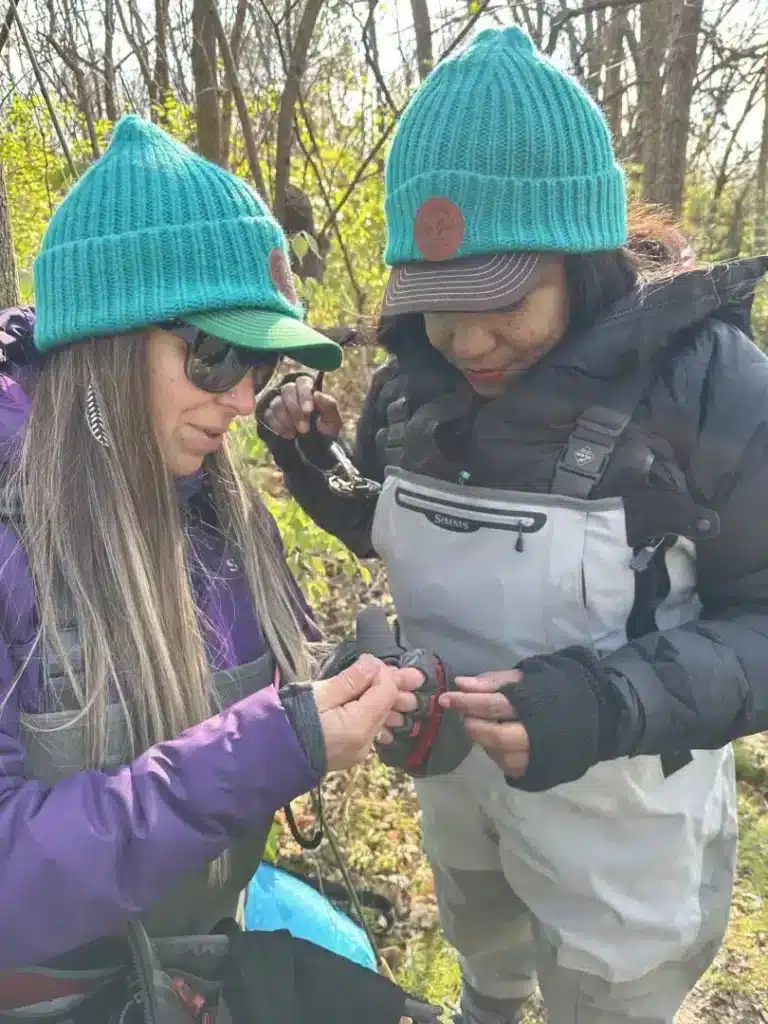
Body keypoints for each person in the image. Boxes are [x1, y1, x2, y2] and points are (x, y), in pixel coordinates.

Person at [257, 27, 768, 1024]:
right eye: (439, 307)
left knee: (606, 996)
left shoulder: (707, 384)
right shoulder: (414, 386)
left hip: (620, 812)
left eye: (503, 302)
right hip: (456, 783)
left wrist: (604, 700)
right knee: (483, 941)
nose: (469, 341)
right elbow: (404, 533)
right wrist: (308, 461)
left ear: (581, 262)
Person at [0, 114, 423, 1009]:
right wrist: (268, 749)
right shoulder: (14, 537)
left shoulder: (219, 507)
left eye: (256, 363)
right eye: (215, 354)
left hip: (195, 958)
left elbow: (279, 702)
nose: (240, 398)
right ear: (106, 344)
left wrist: (362, 696)